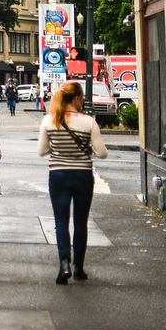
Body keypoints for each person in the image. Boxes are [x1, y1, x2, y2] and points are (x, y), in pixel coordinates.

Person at [38, 81, 108, 284]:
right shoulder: (89, 122)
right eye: (82, 97)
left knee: (60, 221)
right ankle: (79, 268)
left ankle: (64, 265)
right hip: (83, 177)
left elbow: (42, 151)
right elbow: (102, 153)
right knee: (80, 222)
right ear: (77, 98)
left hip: (58, 175)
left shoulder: (50, 120)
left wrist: (59, 148)